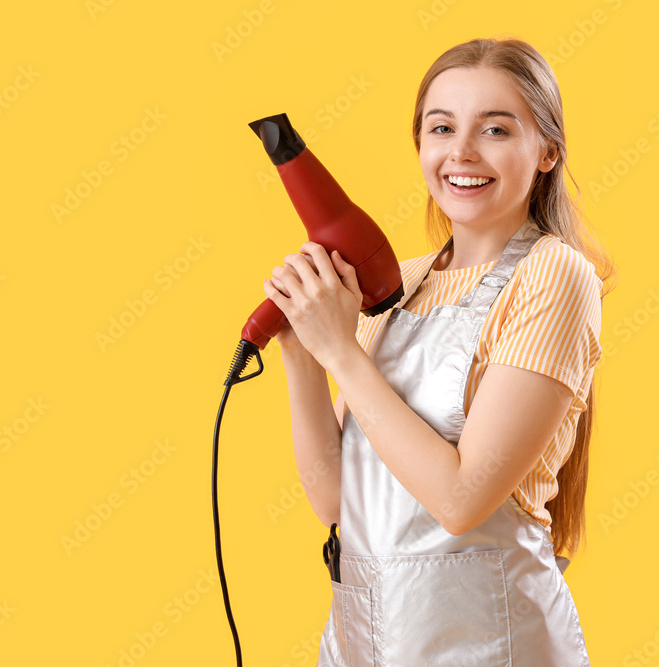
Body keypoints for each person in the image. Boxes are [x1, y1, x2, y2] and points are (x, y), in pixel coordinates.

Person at [262, 36, 617, 667]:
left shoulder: (556, 275)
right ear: (421, 146)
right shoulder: (397, 284)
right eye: (441, 127)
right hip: (361, 644)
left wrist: (342, 353)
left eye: (496, 130)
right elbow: (336, 500)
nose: (461, 152)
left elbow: (460, 501)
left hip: (488, 648)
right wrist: (302, 353)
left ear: (547, 152)